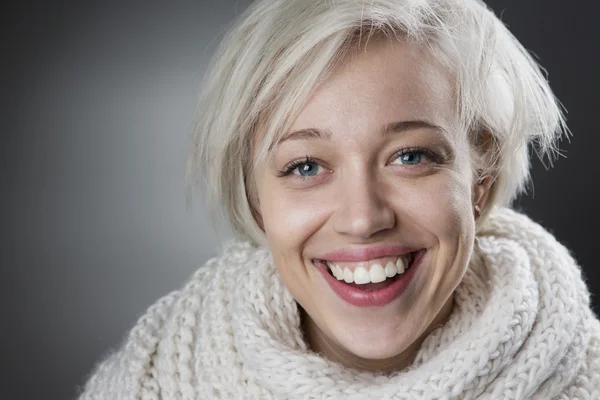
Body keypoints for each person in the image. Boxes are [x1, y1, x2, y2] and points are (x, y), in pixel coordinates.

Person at [78, 0, 600, 398]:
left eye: (411, 156)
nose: (362, 218)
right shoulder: (152, 382)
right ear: (256, 199)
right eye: (305, 166)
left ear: (480, 179)